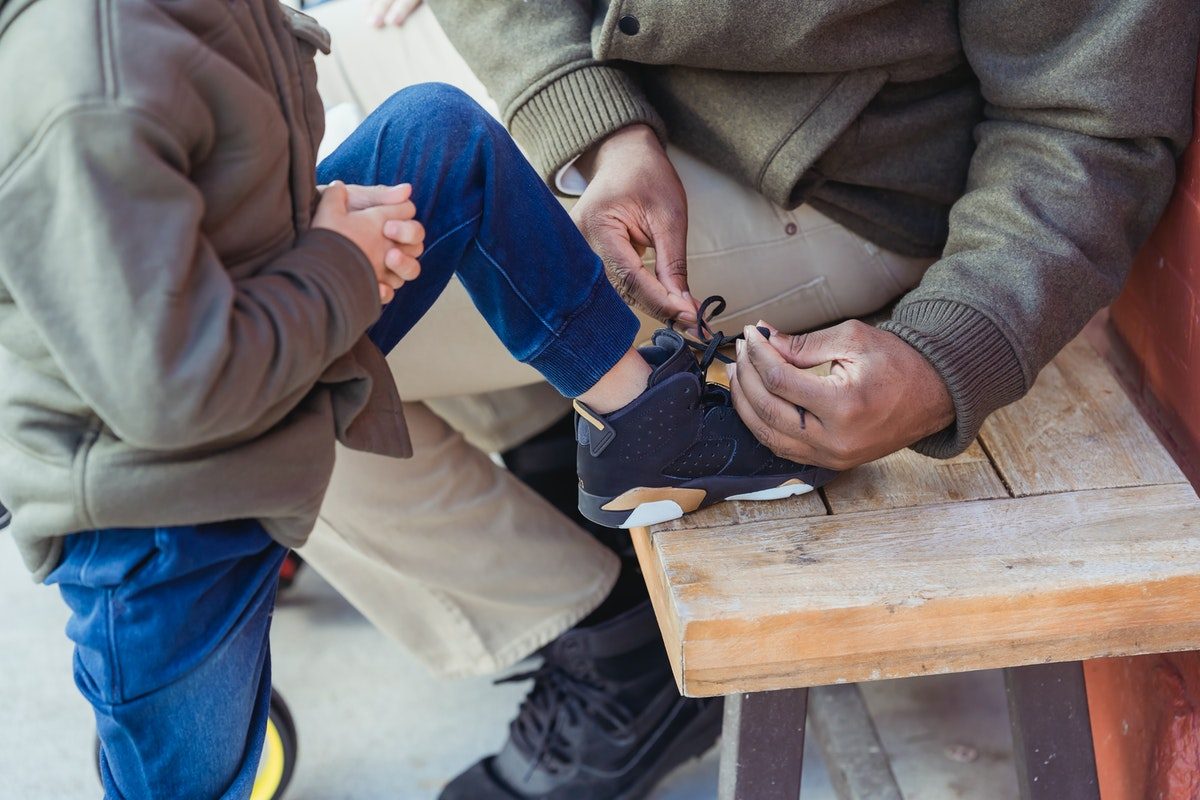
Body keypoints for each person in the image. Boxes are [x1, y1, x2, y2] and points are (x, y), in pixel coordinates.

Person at [288, 1, 1200, 798]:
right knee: (244, 235)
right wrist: (588, 114)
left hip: (826, 174)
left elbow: (1088, 119)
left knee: (268, 362)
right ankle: (553, 461)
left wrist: (942, 356)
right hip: (587, 64)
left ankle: (614, 655)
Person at [0, 1, 839, 797]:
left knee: (440, 137)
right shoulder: (83, 88)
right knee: (185, 781)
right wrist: (335, 257)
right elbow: (173, 387)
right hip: (163, 519)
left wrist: (326, 215)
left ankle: (643, 425)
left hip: (258, 330)